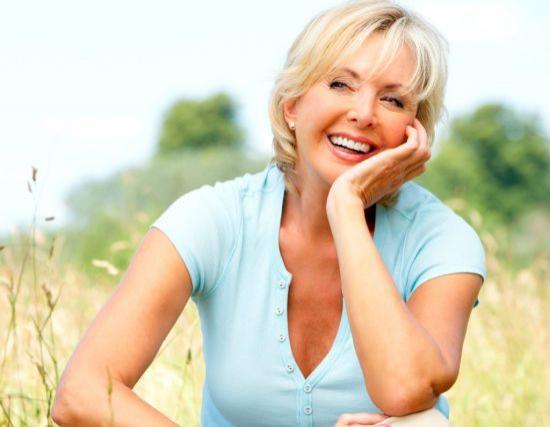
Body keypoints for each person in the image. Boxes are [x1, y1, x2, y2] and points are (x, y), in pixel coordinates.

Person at [51, 1, 486, 426]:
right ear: (291, 105)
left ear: (415, 130)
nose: (363, 114)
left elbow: (405, 391)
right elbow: (82, 393)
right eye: (340, 84)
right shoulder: (215, 219)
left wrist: (347, 208)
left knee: (423, 423)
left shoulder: (441, 238)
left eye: (393, 100)